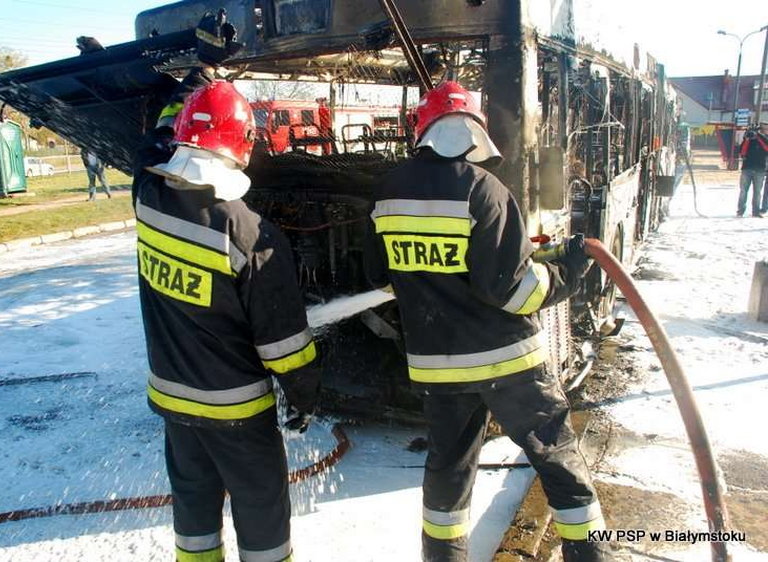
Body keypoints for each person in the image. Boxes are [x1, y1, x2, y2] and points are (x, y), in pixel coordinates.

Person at [364, 81, 610, 562]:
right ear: (474, 131)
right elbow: (516, 291)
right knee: (555, 455)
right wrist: (567, 270)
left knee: (448, 470)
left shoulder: (388, 192)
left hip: (438, 369)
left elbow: (381, 276)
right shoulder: (485, 190)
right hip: (509, 365)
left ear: (424, 129)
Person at [132, 71, 320, 562]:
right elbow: (285, 346)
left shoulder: (147, 198)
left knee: (193, 511)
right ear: (241, 144)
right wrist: (304, 398)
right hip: (236, 411)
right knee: (262, 516)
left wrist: (184, 93)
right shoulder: (249, 234)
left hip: (173, 402)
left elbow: (152, 144)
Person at [737, 121, 768, 218]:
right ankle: (740, 210)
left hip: (760, 169)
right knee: (743, 191)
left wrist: (758, 136)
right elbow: (742, 152)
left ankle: (756, 211)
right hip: (747, 168)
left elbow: (766, 147)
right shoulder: (749, 139)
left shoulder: (764, 139)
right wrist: (747, 138)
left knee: (757, 192)